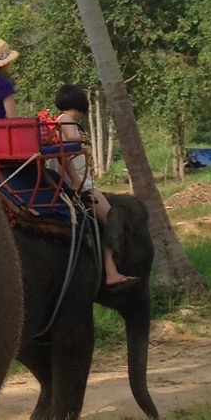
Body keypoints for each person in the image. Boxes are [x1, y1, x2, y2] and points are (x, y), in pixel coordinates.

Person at [48, 84, 135, 290]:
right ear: (79, 106)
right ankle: (111, 271)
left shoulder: (55, 122)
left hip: (67, 181)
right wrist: (81, 139)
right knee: (111, 219)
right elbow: (68, 143)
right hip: (82, 184)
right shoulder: (67, 120)